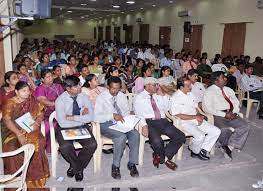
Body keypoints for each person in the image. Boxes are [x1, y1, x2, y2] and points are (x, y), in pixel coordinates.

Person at [2, 81, 49, 188]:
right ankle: (14, 179)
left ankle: (36, 179)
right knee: (11, 147)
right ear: (16, 92)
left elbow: (41, 111)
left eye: (28, 90)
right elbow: (7, 120)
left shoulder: (32, 99)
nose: (27, 93)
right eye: (23, 91)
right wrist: (19, 134)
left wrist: (37, 122)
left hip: (31, 128)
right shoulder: (10, 103)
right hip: (13, 131)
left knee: (39, 141)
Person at [134, 77, 186, 170]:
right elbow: (138, 113)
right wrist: (144, 125)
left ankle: (162, 156)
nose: (157, 87)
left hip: (162, 121)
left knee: (180, 136)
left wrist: (164, 95)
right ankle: (165, 159)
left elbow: (167, 108)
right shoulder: (139, 97)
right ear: (148, 85)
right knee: (157, 141)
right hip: (149, 122)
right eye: (155, 85)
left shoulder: (157, 95)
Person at [94, 76, 140, 179]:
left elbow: (125, 111)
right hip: (106, 123)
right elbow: (96, 117)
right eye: (113, 88)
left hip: (121, 123)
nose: (115, 91)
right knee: (120, 137)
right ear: (108, 87)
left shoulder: (121, 96)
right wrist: (112, 116)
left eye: (118, 88)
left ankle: (132, 163)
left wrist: (129, 116)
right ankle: (115, 166)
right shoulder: (101, 97)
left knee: (135, 134)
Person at [55, 75, 97, 181]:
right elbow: (63, 123)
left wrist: (73, 118)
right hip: (64, 128)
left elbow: (91, 117)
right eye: (76, 86)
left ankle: (74, 167)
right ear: (68, 88)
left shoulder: (84, 97)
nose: (80, 87)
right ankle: (78, 168)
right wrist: (82, 118)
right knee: (65, 147)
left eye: (79, 84)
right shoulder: (60, 100)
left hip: (81, 126)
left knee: (92, 144)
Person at [202, 71, 250, 159]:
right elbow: (207, 108)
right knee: (224, 130)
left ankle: (229, 146)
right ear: (216, 81)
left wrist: (234, 112)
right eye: (222, 77)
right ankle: (222, 144)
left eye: (224, 77)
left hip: (231, 113)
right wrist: (224, 114)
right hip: (217, 115)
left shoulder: (228, 90)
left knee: (245, 126)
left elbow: (236, 102)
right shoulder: (209, 92)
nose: (225, 79)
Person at [170, 78, 221, 160]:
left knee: (216, 131)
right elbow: (177, 115)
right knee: (200, 136)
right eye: (188, 86)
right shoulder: (175, 97)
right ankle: (194, 151)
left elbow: (196, 106)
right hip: (183, 122)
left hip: (195, 118)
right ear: (181, 87)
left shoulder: (190, 94)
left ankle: (203, 150)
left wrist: (199, 115)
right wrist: (195, 117)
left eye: (190, 85)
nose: (191, 87)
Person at [35, 70, 64, 152]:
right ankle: (51, 146)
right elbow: (43, 101)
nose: (50, 78)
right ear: (42, 79)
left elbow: (64, 97)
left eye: (51, 76)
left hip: (60, 110)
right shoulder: (40, 88)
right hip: (47, 113)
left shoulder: (58, 86)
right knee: (52, 124)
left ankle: (65, 146)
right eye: (48, 77)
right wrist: (57, 104)